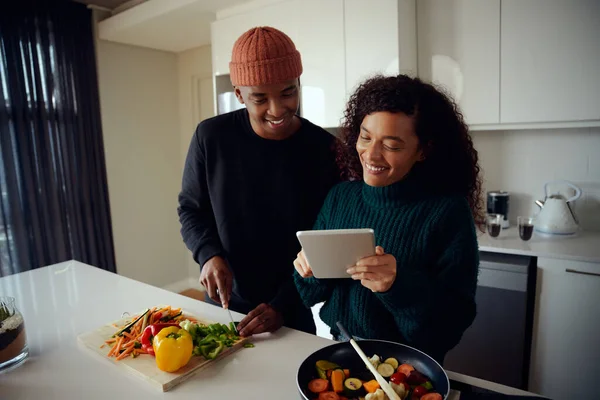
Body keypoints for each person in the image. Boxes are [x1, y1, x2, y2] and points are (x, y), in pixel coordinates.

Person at [293, 74, 482, 363]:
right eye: (365, 137)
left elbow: (451, 325)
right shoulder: (341, 197)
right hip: (340, 353)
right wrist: (307, 267)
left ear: (423, 151)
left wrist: (397, 285)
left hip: (409, 365)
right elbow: (307, 295)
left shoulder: (447, 212)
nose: (371, 154)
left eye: (392, 146)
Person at [178, 26, 339, 337]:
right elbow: (190, 209)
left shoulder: (324, 149)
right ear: (239, 94)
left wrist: (283, 304)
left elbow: (327, 242)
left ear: (298, 83)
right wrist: (207, 254)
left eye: (288, 92)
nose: (277, 109)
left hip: (291, 308)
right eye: (260, 98)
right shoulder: (211, 137)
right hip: (222, 301)